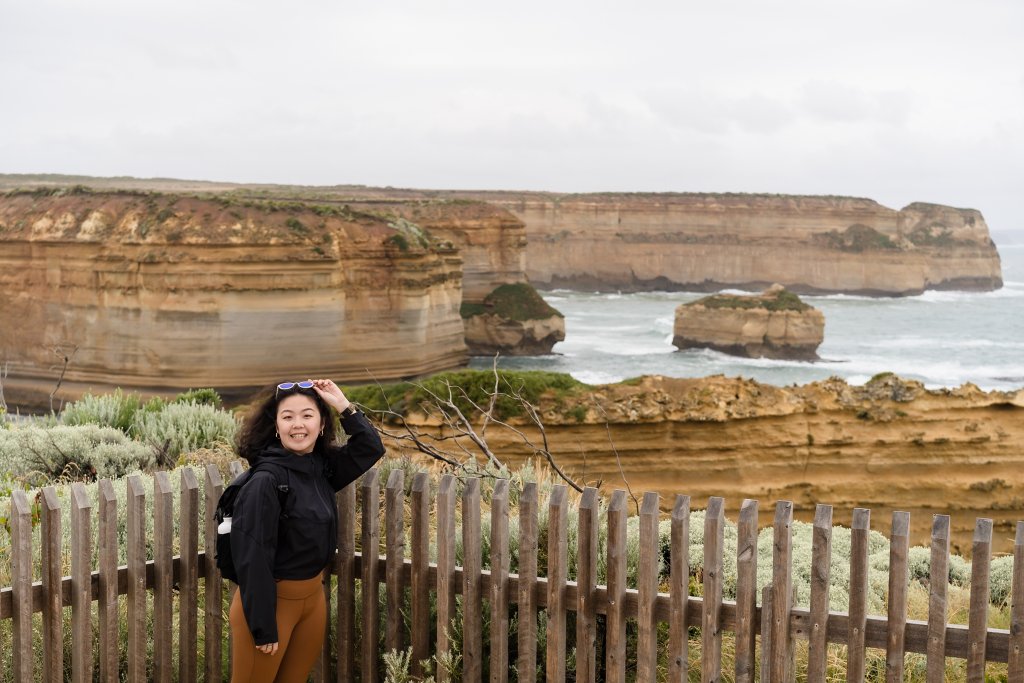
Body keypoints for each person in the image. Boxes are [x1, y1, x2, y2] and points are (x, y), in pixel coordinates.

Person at [229, 378, 385, 683]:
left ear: (322, 424)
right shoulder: (266, 481)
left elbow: (370, 448)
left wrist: (342, 405)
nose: (297, 425)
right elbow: (252, 557)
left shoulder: (320, 468)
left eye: (307, 415)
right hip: (271, 606)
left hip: (313, 601)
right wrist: (262, 626)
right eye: (287, 417)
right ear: (275, 426)